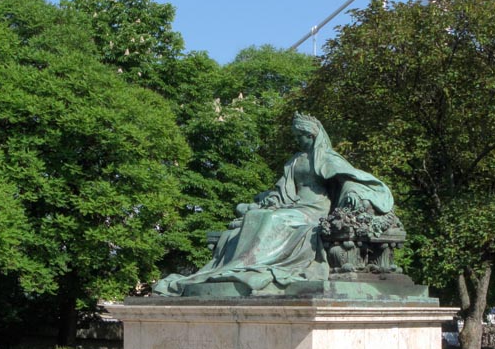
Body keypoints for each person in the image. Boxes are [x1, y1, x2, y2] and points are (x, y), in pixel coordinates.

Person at [153, 113, 394, 296]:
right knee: (255, 216)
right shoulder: (294, 161)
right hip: (292, 207)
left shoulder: (328, 159)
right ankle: (243, 264)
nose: (299, 140)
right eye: (296, 136)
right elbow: (281, 190)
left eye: (302, 136)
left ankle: (249, 263)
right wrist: (272, 200)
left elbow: (352, 181)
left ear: (313, 135)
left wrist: (353, 194)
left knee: (272, 220)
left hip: (314, 211)